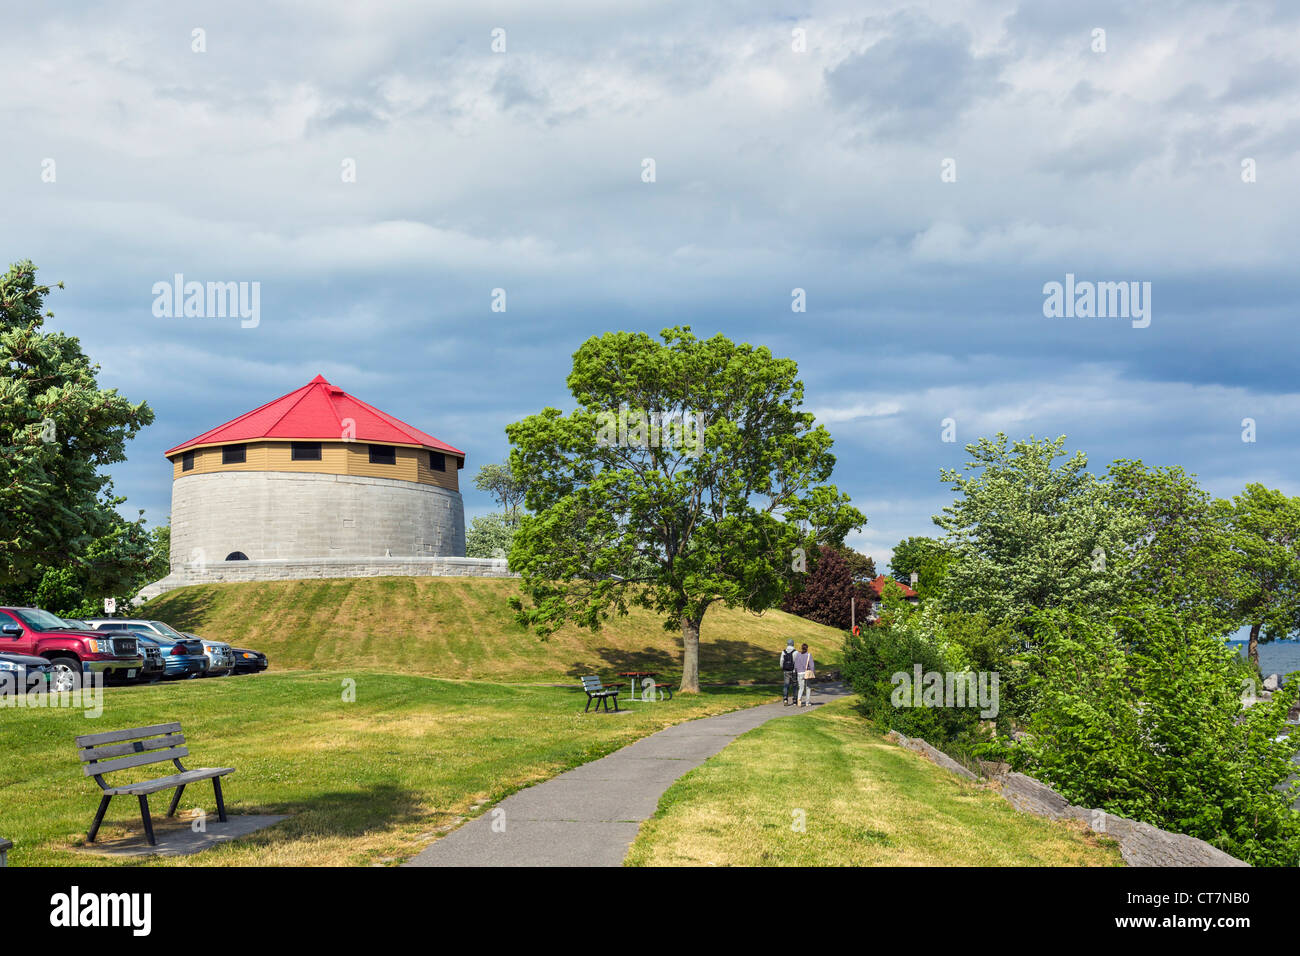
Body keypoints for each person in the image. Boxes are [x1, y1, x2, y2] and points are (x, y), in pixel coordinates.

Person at [794, 643, 814, 707]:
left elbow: (796, 665)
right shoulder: (808, 655)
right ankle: (807, 702)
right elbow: (812, 665)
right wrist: (812, 672)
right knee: (808, 687)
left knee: (801, 688)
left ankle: (799, 699)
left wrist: (797, 671)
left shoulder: (798, 655)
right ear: (807, 648)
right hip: (806, 673)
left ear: (801, 648)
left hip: (799, 673)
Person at [780, 639, 798, 705]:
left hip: (786, 671)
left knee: (786, 685)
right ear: (793, 644)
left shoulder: (783, 652)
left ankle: (785, 699)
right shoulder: (796, 652)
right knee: (795, 686)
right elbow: (797, 662)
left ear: (787, 644)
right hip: (793, 671)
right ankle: (795, 700)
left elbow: (781, 661)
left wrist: (782, 668)